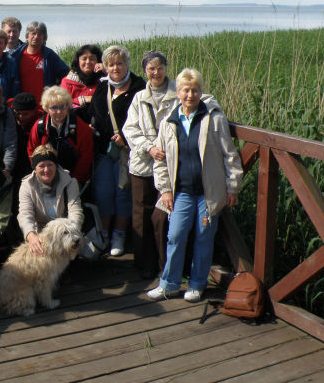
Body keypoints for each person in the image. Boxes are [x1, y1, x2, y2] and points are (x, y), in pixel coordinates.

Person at [147, 68, 243, 303]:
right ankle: (169, 284)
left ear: (201, 92)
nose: (190, 95)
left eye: (195, 90)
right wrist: (165, 190)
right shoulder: (169, 122)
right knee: (175, 235)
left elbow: (230, 156)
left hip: (208, 193)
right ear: (178, 92)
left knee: (203, 238)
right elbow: (160, 161)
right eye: (186, 90)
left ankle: (197, 284)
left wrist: (232, 188)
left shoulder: (214, 118)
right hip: (181, 192)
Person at [123, 51, 180, 277]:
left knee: (163, 215)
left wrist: (164, 149)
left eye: (160, 68)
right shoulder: (139, 97)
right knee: (141, 214)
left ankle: (165, 263)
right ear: (145, 70)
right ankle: (143, 263)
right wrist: (149, 147)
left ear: (166, 68)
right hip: (143, 164)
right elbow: (130, 129)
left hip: (169, 164)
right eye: (151, 68)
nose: (156, 73)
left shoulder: (178, 94)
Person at [89, 45, 146, 257]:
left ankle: (119, 235)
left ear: (127, 64)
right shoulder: (103, 87)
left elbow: (143, 120)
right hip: (104, 150)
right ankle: (103, 233)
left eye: (119, 63)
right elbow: (94, 112)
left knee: (123, 193)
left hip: (127, 152)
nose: (115, 68)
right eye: (111, 64)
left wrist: (126, 136)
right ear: (105, 66)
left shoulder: (139, 87)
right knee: (104, 193)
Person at [17, 144, 83, 257]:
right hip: (43, 234)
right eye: (41, 166)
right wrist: (31, 236)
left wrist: (71, 235)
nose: (46, 170)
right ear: (34, 168)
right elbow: (25, 215)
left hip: (67, 232)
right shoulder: (26, 185)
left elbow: (75, 211)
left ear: (56, 166)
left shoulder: (71, 182)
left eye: (50, 165)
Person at [27, 85, 94, 185]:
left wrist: (74, 181)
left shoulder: (81, 127)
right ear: (46, 108)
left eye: (62, 106)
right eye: (54, 108)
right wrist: (43, 176)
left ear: (68, 106)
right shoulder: (39, 127)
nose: (59, 112)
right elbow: (32, 152)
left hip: (73, 179)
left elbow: (86, 156)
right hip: (45, 178)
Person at [16, 22, 69, 106]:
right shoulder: (16, 55)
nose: (36, 37)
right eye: (33, 33)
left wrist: (57, 91)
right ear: (27, 36)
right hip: (23, 105)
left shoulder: (50, 55)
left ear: (44, 37)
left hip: (44, 104)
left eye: (40, 34)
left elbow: (66, 74)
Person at [61, 44, 104, 122]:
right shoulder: (67, 81)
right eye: (84, 59)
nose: (88, 62)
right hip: (75, 125)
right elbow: (61, 104)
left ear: (98, 61)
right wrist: (82, 99)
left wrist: (106, 70)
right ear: (78, 61)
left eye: (92, 59)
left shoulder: (104, 80)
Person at [7, 92, 42, 183]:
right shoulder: (10, 118)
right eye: (18, 114)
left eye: (25, 114)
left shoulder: (41, 125)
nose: (21, 117)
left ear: (34, 111)